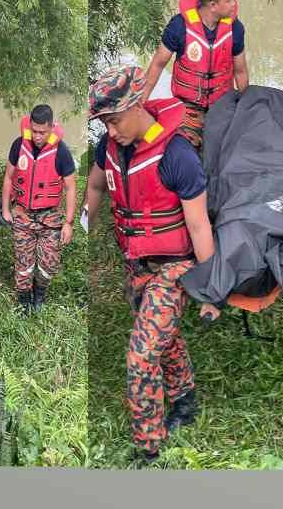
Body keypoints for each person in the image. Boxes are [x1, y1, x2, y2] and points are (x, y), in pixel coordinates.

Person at [86, 65, 216, 466]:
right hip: (136, 265)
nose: (111, 130)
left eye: (114, 119)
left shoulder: (177, 156)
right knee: (165, 337)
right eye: (104, 122)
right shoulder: (107, 149)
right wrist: (85, 219)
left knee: (141, 357)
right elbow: (94, 185)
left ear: (138, 105)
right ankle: (185, 400)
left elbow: (198, 224)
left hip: (173, 268)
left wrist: (210, 290)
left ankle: (148, 447)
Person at [142, 0, 249, 152]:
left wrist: (246, 109)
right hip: (187, 109)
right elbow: (158, 64)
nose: (234, 4)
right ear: (213, 5)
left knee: (229, 151)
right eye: (229, 0)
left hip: (222, 107)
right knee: (178, 150)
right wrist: (141, 103)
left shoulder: (235, 29)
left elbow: (241, 72)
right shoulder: (179, 27)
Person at [0, 104, 77, 315]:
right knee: (23, 262)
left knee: (48, 263)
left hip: (50, 217)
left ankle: (40, 292)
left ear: (51, 128)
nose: (37, 136)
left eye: (42, 132)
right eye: (34, 130)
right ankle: (24, 297)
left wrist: (68, 223)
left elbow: (70, 187)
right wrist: (6, 209)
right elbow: (8, 177)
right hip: (23, 214)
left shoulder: (61, 152)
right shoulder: (19, 145)